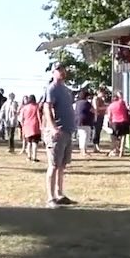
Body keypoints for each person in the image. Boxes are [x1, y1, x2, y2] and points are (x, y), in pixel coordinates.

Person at [42, 65, 77, 207]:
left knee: (62, 165)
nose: (62, 72)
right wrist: (53, 128)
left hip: (67, 131)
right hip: (57, 132)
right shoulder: (52, 88)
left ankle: (60, 194)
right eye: (58, 70)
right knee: (53, 165)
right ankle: (51, 198)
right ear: (53, 72)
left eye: (63, 69)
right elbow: (46, 107)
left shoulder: (65, 89)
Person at [106, 93, 130, 157]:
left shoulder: (110, 106)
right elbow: (127, 110)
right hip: (124, 121)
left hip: (115, 122)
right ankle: (121, 151)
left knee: (114, 137)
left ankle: (115, 149)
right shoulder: (122, 104)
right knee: (123, 137)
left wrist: (109, 123)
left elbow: (109, 117)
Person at [19, 94, 42, 162]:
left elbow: (21, 118)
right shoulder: (36, 107)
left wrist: (23, 125)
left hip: (27, 126)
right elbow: (39, 116)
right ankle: (34, 157)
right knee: (35, 142)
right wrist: (41, 125)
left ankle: (29, 157)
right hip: (35, 126)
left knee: (29, 142)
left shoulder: (24, 108)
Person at [74, 89, 95, 156]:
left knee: (81, 136)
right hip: (85, 121)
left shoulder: (77, 103)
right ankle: (84, 151)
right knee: (85, 136)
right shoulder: (86, 103)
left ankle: (82, 150)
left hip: (77, 121)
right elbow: (93, 110)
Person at [92, 88, 110, 153]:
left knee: (98, 131)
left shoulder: (101, 100)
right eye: (103, 93)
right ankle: (95, 146)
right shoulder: (96, 99)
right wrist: (106, 107)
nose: (104, 94)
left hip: (101, 116)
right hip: (98, 116)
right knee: (96, 131)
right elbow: (96, 108)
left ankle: (97, 145)